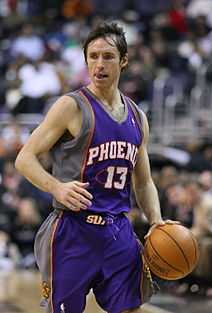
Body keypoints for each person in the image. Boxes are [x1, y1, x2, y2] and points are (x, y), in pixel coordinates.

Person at [15, 22, 165, 313]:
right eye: (92, 56)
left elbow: (144, 182)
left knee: (130, 308)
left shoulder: (137, 116)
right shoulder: (70, 106)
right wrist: (57, 186)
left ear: (123, 60)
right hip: (73, 231)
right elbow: (25, 158)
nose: (99, 64)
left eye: (107, 56)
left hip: (118, 231)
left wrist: (156, 219)